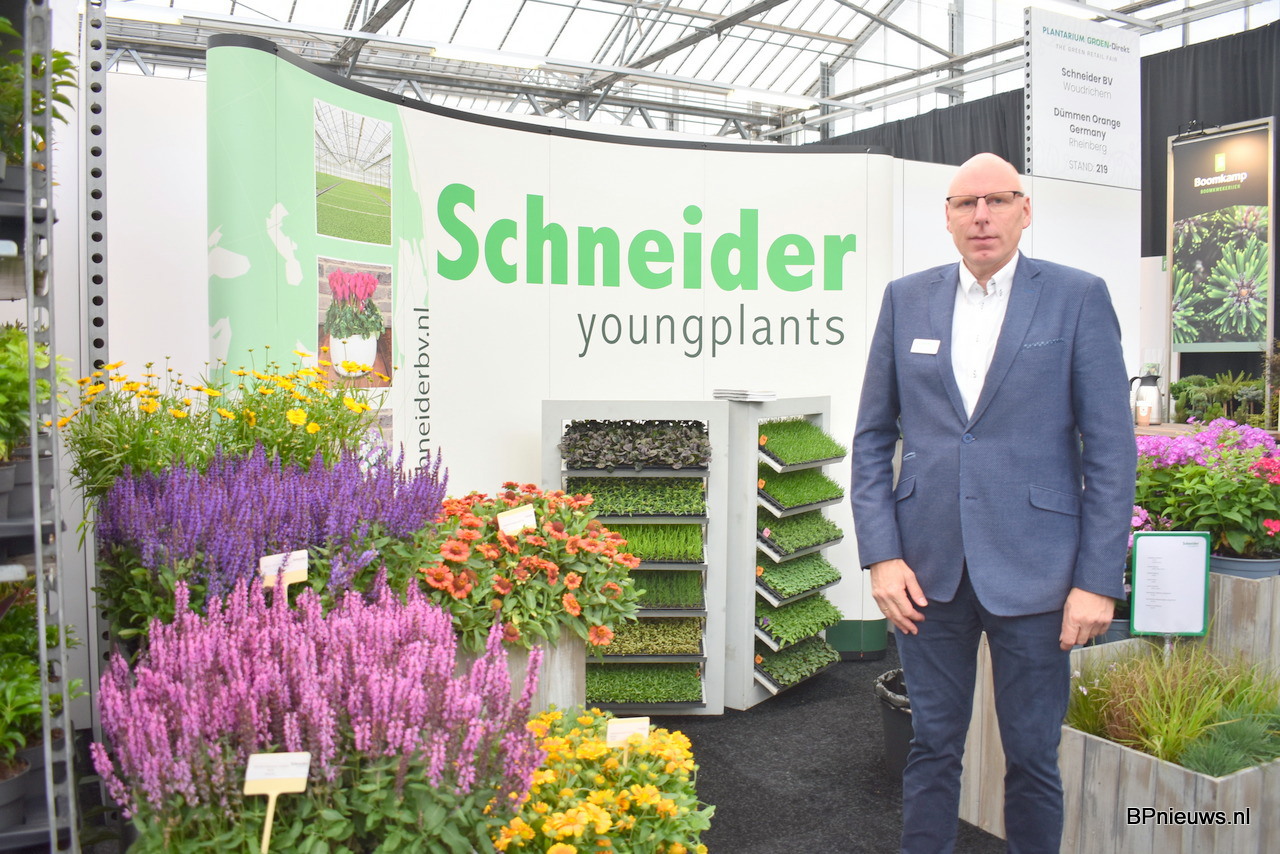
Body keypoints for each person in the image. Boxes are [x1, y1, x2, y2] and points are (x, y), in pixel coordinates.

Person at [850, 152, 1136, 854]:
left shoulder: (1076, 296)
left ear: (1024, 210)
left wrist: (1098, 580)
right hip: (926, 572)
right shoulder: (906, 299)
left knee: (1033, 757)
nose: (982, 216)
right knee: (930, 746)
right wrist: (881, 555)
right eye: (965, 203)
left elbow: (1110, 450)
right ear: (947, 218)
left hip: (1038, 571)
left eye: (998, 200)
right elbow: (872, 438)